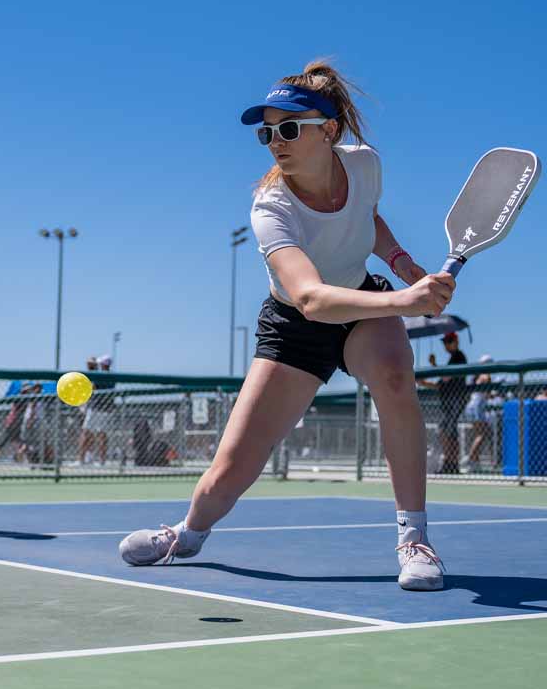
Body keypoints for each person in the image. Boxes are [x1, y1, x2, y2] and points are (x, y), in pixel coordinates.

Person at [119, 61, 455, 591]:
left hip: (362, 300)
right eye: (267, 132)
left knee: (394, 380)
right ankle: (187, 533)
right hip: (297, 325)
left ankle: (415, 540)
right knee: (230, 471)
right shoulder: (270, 206)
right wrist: (410, 301)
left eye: (290, 128)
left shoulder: (365, 165)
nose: (277, 141)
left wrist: (401, 262)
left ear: (329, 131)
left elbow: (366, 217)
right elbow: (310, 297)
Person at [417, 332, 468, 474]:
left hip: (455, 401)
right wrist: (424, 383)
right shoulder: (453, 358)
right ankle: (451, 464)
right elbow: (441, 384)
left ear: (456, 341)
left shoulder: (458, 356)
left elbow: (446, 378)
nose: (446, 344)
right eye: (445, 342)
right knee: (449, 432)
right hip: (449, 403)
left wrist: (434, 365)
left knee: (445, 431)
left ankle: (450, 463)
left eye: (449, 341)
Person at [462, 354, 494, 473]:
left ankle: (475, 463)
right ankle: (470, 457)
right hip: (477, 406)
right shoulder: (486, 376)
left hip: (472, 405)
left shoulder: (477, 375)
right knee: (483, 433)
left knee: (479, 434)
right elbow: (487, 393)